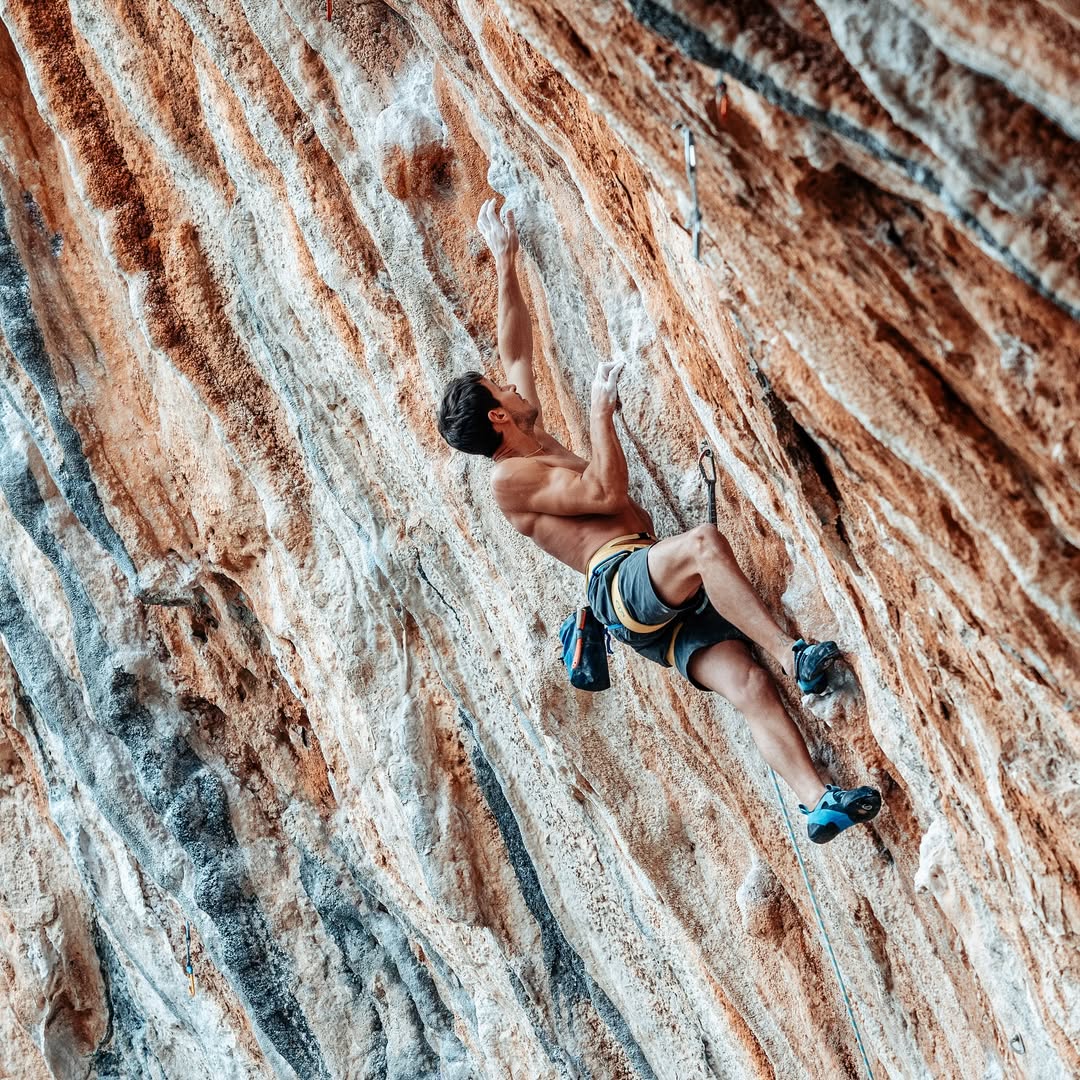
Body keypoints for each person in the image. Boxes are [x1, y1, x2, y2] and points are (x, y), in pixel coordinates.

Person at [437, 198, 880, 844]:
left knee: (746, 682)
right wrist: (600, 411)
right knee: (702, 546)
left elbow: (515, 346)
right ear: (498, 417)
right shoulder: (510, 479)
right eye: (499, 391)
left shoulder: (524, 435)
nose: (510, 385)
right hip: (620, 583)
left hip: (647, 605)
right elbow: (603, 489)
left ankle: (818, 801)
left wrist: (505, 258)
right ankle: (797, 658)